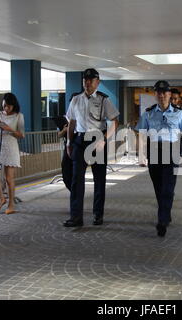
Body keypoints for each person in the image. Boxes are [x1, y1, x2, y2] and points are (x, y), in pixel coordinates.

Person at [135, 80, 182, 237]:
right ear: (155, 95)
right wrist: (141, 155)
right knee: (159, 188)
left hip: (172, 152)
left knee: (168, 189)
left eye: (164, 92)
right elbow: (142, 135)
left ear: (170, 94)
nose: (162, 95)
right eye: (159, 92)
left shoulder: (179, 113)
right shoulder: (148, 113)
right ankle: (166, 212)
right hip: (155, 152)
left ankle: (162, 221)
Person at [64, 68, 120, 227]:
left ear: (97, 82)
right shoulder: (75, 99)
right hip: (79, 140)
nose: (87, 83)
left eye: (91, 80)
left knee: (99, 179)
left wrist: (104, 139)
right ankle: (76, 217)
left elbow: (115, 121)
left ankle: (98, 214)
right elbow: (72, 123)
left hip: (97, 140)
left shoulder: (104, 100)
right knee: (76, 180)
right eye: (85, 80)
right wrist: (69, 142)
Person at [0, 93, 25, 214]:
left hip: (11, 149)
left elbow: (22, 135)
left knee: (9, 178)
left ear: (13, 106)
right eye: (4, 106)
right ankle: (2, 198)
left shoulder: (19, 116)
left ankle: (11, 204)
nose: (6, 109)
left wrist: (9, 129)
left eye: (8, 106)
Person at [55, 115, 72, 191]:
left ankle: (76, 191)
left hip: (78, 146)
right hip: (67, 147)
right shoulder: (63, 120)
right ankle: (72, 189)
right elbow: (59, 135)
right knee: (65, 168)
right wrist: (64, 130)